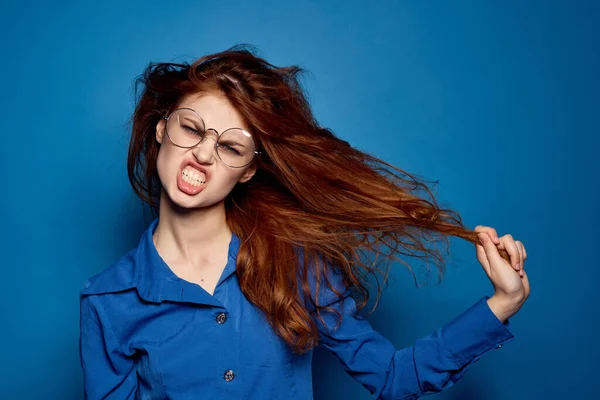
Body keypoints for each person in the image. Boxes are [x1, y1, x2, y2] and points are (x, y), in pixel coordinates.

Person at [79, 45, 530, 399]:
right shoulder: (108, 303)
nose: (202, 153)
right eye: (191, 128)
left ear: (249, 169)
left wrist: (502, 304)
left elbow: (394, 378)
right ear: (162, 129)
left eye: (231, 147)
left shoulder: (296, 264)